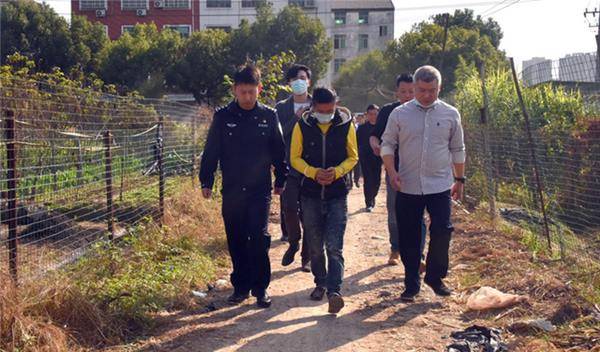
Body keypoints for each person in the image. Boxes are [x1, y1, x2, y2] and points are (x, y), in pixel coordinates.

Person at [199, 64, 287, 308]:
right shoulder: (223, 116)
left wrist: (281, 177)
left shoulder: (269, 116)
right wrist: (206, 180)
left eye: (252, 92)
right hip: (233, 189)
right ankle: (240, 287)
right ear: (234, 90)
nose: (247, 97)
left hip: (260, 188)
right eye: (243, 92)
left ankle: (261, 288)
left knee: (259, 237)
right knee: (236, 237)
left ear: (259, 89)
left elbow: (279, 150)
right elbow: (211, 151)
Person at [381, 65, 466, 302]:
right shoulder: (399, 114)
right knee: (409, 235)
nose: (427, 95)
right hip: (407, 185)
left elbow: (457, 148)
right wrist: (391, 171)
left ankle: (435, 277)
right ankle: (411, 282)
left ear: (440, 88)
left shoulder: (450, 114)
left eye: (432, 90)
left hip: (440, 184)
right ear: (414, 87)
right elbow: (387, 144)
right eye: (422, 90)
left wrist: (459, 179)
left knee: (442, 229)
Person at [289, 87, 358, 314]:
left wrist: (337, 172)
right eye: (322, 110)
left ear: (336, 105)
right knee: (316, 247)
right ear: (313, 107)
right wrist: (312, 172)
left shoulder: (346, 125)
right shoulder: (302, 126)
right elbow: (294, 158)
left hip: (337, 194)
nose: (326, 114)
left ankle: (334, 291)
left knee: (334, 247)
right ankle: (320, 282)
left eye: (330, 110)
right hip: (309, 195)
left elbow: (353, 156)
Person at [369, 74, 426, 266]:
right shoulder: (388, 112)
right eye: (404, 91)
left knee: (418, 213)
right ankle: (395, 248)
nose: (408, 95)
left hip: (420, 170)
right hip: (395, 169)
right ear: (397, 93)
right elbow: (375, 136)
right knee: (394, 211)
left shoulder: (425, 111)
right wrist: (376, 146)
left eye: (412, 91)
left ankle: (418, 255)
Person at [276, 64, 312, 272]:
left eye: (302, 77)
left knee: (309, 213)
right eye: (294, 79)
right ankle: (293, 243)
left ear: (309, 81)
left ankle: (306, 257)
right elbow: (279, 135)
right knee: (289, 208)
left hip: (311, 167)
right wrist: (296, 118)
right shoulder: (281, 107)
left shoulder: (318, 104)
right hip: (288, 165)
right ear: (289, 84)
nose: (298, 81)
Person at [356, 104, 381, 211]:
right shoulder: (361, 128)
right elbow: (356, 143)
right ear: (367, 115)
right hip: (365, 157)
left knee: (377, 180)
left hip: (378, 157)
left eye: (375, 114)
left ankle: (373, 196)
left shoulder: (381, 127)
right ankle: (368, 202)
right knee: (368, 179)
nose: (373, 116)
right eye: (370, 114)